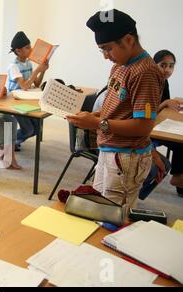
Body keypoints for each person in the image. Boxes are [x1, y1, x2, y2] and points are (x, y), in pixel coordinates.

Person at [67, 9, 164, 210]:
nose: (105, 56)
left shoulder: (145, 72)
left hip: (126, 157)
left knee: (114, 216)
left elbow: (143, 126)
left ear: (128, 40)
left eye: (108, 49)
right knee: (100, 208)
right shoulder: (120, 65)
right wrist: (93, 116)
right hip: (110, 149)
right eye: (101, 50)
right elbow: (115, 107)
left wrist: (96, 123)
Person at [8, 31, 49, 151]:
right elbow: (24, 86)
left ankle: (15, 141)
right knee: (29, 130)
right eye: (27, 47)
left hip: (26, 98)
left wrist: (43, 70)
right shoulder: (13, 66)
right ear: (18, 50)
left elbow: (36, 83)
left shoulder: (28, 63)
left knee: (36, 128)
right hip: (14, 101)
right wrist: (37, 70)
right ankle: (7, 142)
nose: (31, 49)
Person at [153, 50, 183, 197]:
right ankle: (178, 178)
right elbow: (147, 113)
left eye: (171, 66)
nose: (167, 70)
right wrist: (165, 102)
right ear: (154, 65)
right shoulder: (150, 82)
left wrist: (170, 103)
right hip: (147, 128)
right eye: (163, 65)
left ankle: (180, 180)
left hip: (158, 124)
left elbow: (164, 107)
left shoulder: (164, 81)